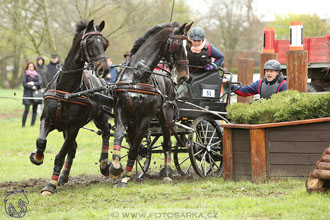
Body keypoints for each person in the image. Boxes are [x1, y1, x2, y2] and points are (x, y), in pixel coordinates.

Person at [22, 61, 42, 128]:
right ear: (27, 67)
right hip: (27, 95)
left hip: (35, 95)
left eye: (32, 66)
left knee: (34, 110)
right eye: (30, 66)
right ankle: (23, 125)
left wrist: (32, 83)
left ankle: (32, 125)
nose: (31, 68)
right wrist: (32, 87)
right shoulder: (25, 74)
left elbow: (40, 82)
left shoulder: (37, 74)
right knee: (26, 110)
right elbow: (24, 84)